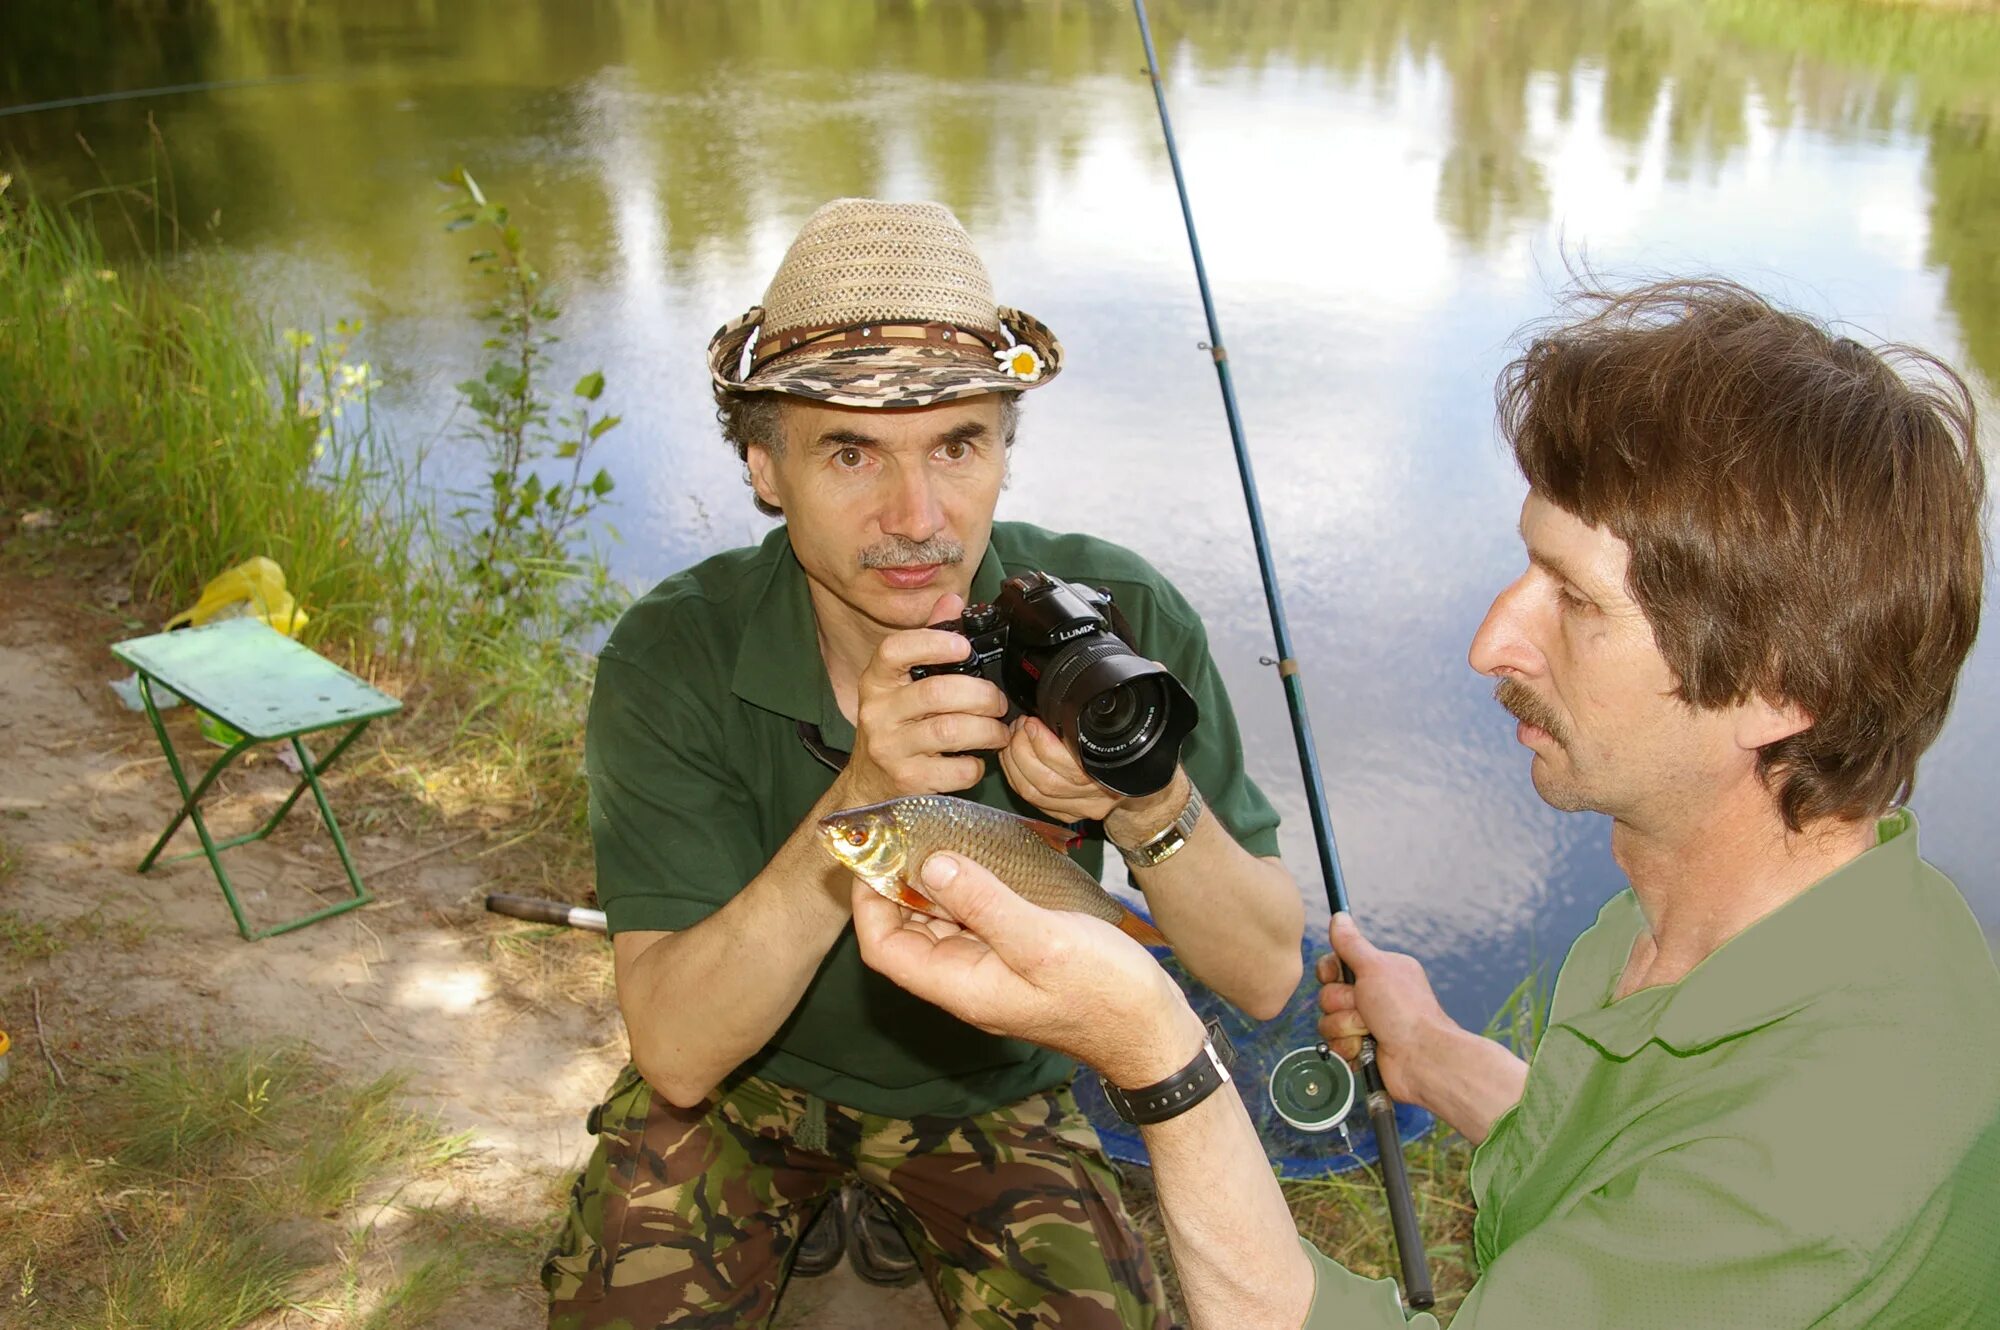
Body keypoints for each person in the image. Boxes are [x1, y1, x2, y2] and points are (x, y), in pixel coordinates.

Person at [852, 280, 2000, 1328]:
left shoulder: (1828, 1143)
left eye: (1573, 603)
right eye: (1522, 570)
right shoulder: (1711, 923)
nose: (1489, 641)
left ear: (1777, 690)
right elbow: (1627, 1173)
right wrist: (1440, 1053)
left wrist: (1159, 1050)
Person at [542, 197, 1307, 1330]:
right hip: (752, 1086)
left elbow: (1261, 975)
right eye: (850, 451)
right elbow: (679, 1051)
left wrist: (1145, 806)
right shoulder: (676, 651)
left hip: (1000, 1094)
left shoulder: (1116, 626)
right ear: (763, 464)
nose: (918, 516)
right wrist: (860, 796)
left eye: (959, 443)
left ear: (1004, 445)